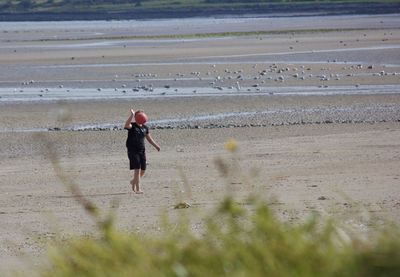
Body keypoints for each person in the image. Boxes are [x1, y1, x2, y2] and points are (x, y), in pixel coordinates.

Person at [125, 107, 160, 193]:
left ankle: (134, 181)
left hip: (142, 151)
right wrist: (132, 115)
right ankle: (138, 189)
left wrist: (156, 146)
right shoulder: (132, 126)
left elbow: (149, 139)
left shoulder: (145, 128)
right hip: (133, 151)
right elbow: (126, 125)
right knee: (137, 169)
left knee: (143, 170)